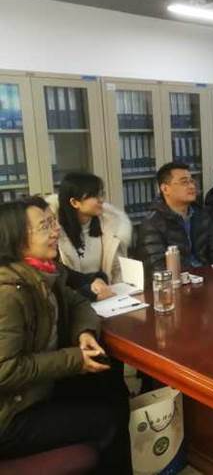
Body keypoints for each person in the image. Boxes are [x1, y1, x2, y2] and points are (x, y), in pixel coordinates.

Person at [0, 197, 132, 473]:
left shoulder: (44, 272)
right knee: (106, 419)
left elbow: (78, 302)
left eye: (53, 221)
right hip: (11, 415)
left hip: (35, 389)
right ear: (16, 239)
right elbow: (5, 369)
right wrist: (74, 359)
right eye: (44, 225)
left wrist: (84, 332)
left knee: (110, 384)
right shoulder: (8, 292)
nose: (56, 230)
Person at [46, 172, 132, 302]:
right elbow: (60, 280)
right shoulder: (55, 233)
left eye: (101, 194)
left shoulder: (110, 226)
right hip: (73, 301)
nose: (101, 200)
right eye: (94, 196)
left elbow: (117, 271)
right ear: (74, 202)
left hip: (107, 298)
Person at [137, 162, 213, 273]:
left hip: (207, 276)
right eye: (184, 182)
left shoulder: (202, 214)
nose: (192, 186)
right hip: (177, 279)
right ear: (165, 189)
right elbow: (157, 267)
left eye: (192, 181)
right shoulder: (152, 223)